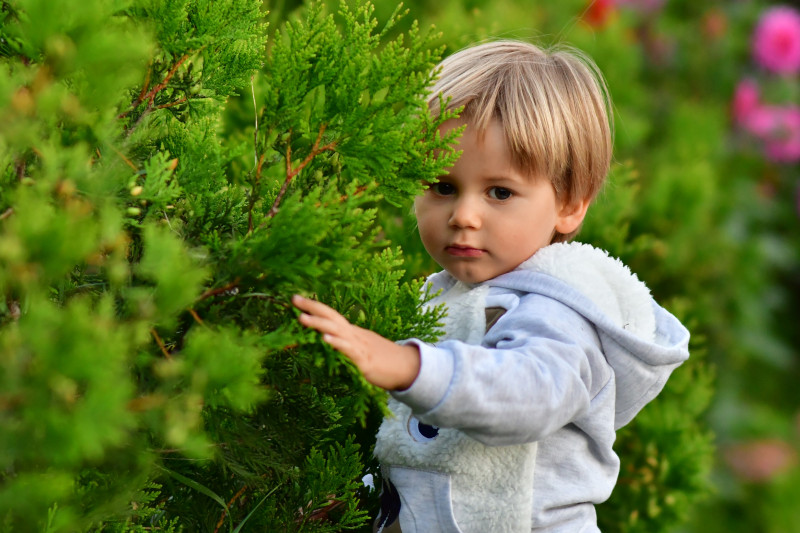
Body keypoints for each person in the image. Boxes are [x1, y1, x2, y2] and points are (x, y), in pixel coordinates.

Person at [292, 39, 690, 533]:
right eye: (442, 186)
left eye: (500, 192)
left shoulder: (558, 312)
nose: (463, 215)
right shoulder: (443, 297)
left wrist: (409, 367)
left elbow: (529, 392)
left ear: (568, 203)